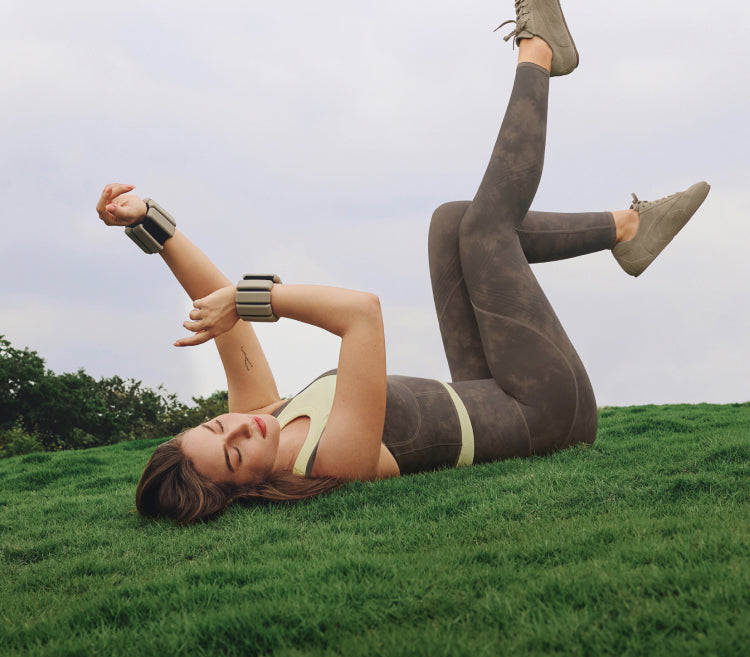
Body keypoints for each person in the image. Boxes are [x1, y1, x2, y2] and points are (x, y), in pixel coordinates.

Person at [97, 0, 709, 525]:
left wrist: (147, 220)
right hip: (549, 415)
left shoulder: (259, 417)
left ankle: (627, 230)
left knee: (451, 224)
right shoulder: (330, 461)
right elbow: (362, 315)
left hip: (489, 388)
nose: (237, 429)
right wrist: (254, 298)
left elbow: (221, 316)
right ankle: (539, 51)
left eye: (213, 427)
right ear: (248, 488)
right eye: (233, 454)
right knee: (484, 229)